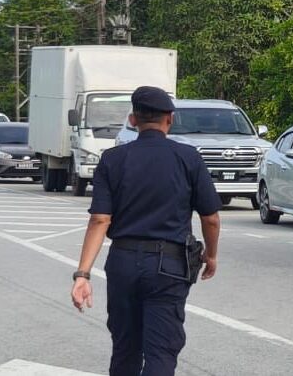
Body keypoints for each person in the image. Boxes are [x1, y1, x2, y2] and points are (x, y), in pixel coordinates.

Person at [70, 86, 222, 376]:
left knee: (125, 348)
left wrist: (83, 274)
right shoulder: (188, 158)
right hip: (169, 266)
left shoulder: (112, 159)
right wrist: (211, 255)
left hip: (123, 262)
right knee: (161, 351)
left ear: (132, 120)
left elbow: (100, 220)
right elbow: (211, 218)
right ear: (171, 119)